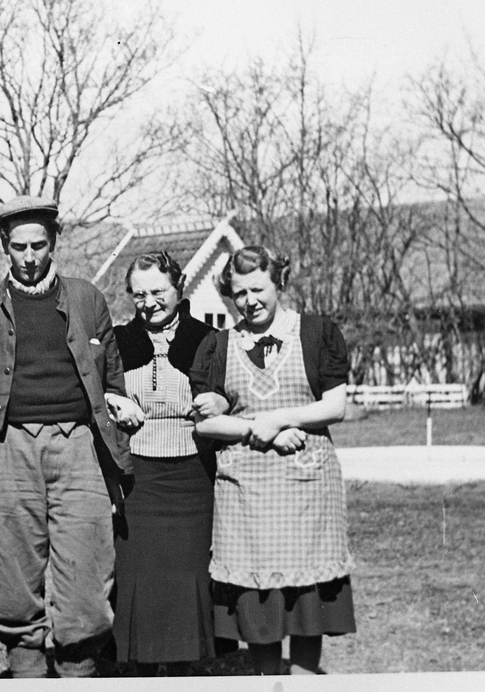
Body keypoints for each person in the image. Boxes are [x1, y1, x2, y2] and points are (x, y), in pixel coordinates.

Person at [0, 195, 146, 679]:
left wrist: (118, 412)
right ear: (5, 247)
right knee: (11, 578)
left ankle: (79, 670)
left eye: (39, 244)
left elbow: (113, 380)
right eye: (18, 246)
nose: (29, 256)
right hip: (8, 449)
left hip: (78, 445)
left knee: (87, 577)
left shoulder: (86, 299)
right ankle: (27, 674)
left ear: (54, 242)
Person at [189, 245, 355, 676]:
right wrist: (253, 428)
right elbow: (206, 424)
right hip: (247, 493)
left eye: (259, 289)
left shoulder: (317, 333)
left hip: (307, 488)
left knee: (305, 605)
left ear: (279, 283)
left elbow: (335, 406)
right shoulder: (218, 345)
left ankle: (301, 682)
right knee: (257, 607)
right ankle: (267, 682)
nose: (250, 301)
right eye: (240, 293)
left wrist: (279, 419)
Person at [110, 251, 219, 675]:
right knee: (140, 582)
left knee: (184, 586)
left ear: (180, 285)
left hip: (193, 478)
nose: (149, 302)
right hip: (138, 479)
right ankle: (141, 677)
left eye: (158, 291)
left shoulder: (208, 339)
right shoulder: (118, 341)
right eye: (139, 294)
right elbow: (94, 394)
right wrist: (112, 401)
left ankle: (180, 677)